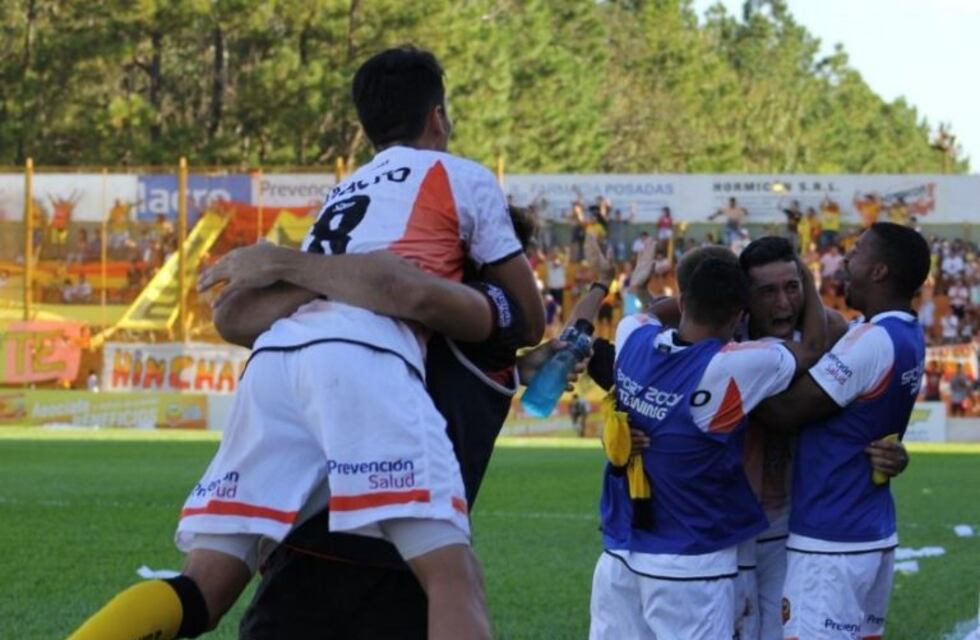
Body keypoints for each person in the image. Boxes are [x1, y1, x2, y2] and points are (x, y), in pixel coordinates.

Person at [67, 46, 544, 640]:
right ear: (438, 117)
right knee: (452, 575)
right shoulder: (461, 176)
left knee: (203, 586)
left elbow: (242, 318)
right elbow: (526, 320)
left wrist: (284, 263)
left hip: (274, 366)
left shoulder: (342, 194)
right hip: (363, 362)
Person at [234, 224, 612, 640]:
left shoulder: (376, 305)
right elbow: (531, 333)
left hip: (316, 537)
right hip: (413, 552)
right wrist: (596, 287)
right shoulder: (488, 316)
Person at [589, 244, 829, 639]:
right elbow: (812, 350)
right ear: (739, 316)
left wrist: (638, 284)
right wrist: (804, 270)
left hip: (620, 555)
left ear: (684, 300)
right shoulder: (734, 366)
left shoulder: (631, 337)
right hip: (691, 563)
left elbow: (647, 314)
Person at [755, 222, 930, 640]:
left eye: (858, 253)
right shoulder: (908, 333)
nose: (847, 260)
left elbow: (786, 411)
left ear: (879, 271)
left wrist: (712, 376)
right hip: (868, 533)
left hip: (832, 543)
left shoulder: (872, 341)